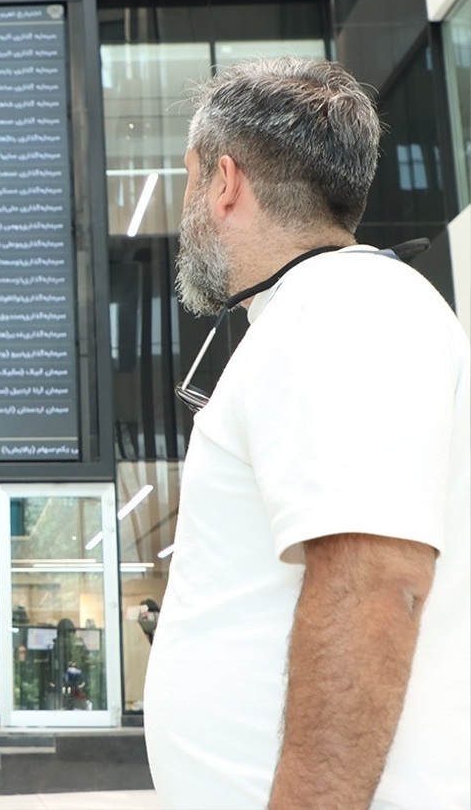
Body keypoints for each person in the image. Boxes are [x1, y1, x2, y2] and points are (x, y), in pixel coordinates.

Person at [144, 57, 470, 809]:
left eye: (190, 180)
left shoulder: (346, 308)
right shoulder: (322, 308)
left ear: (225, 182)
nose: (187, 207)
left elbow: (375, 582)